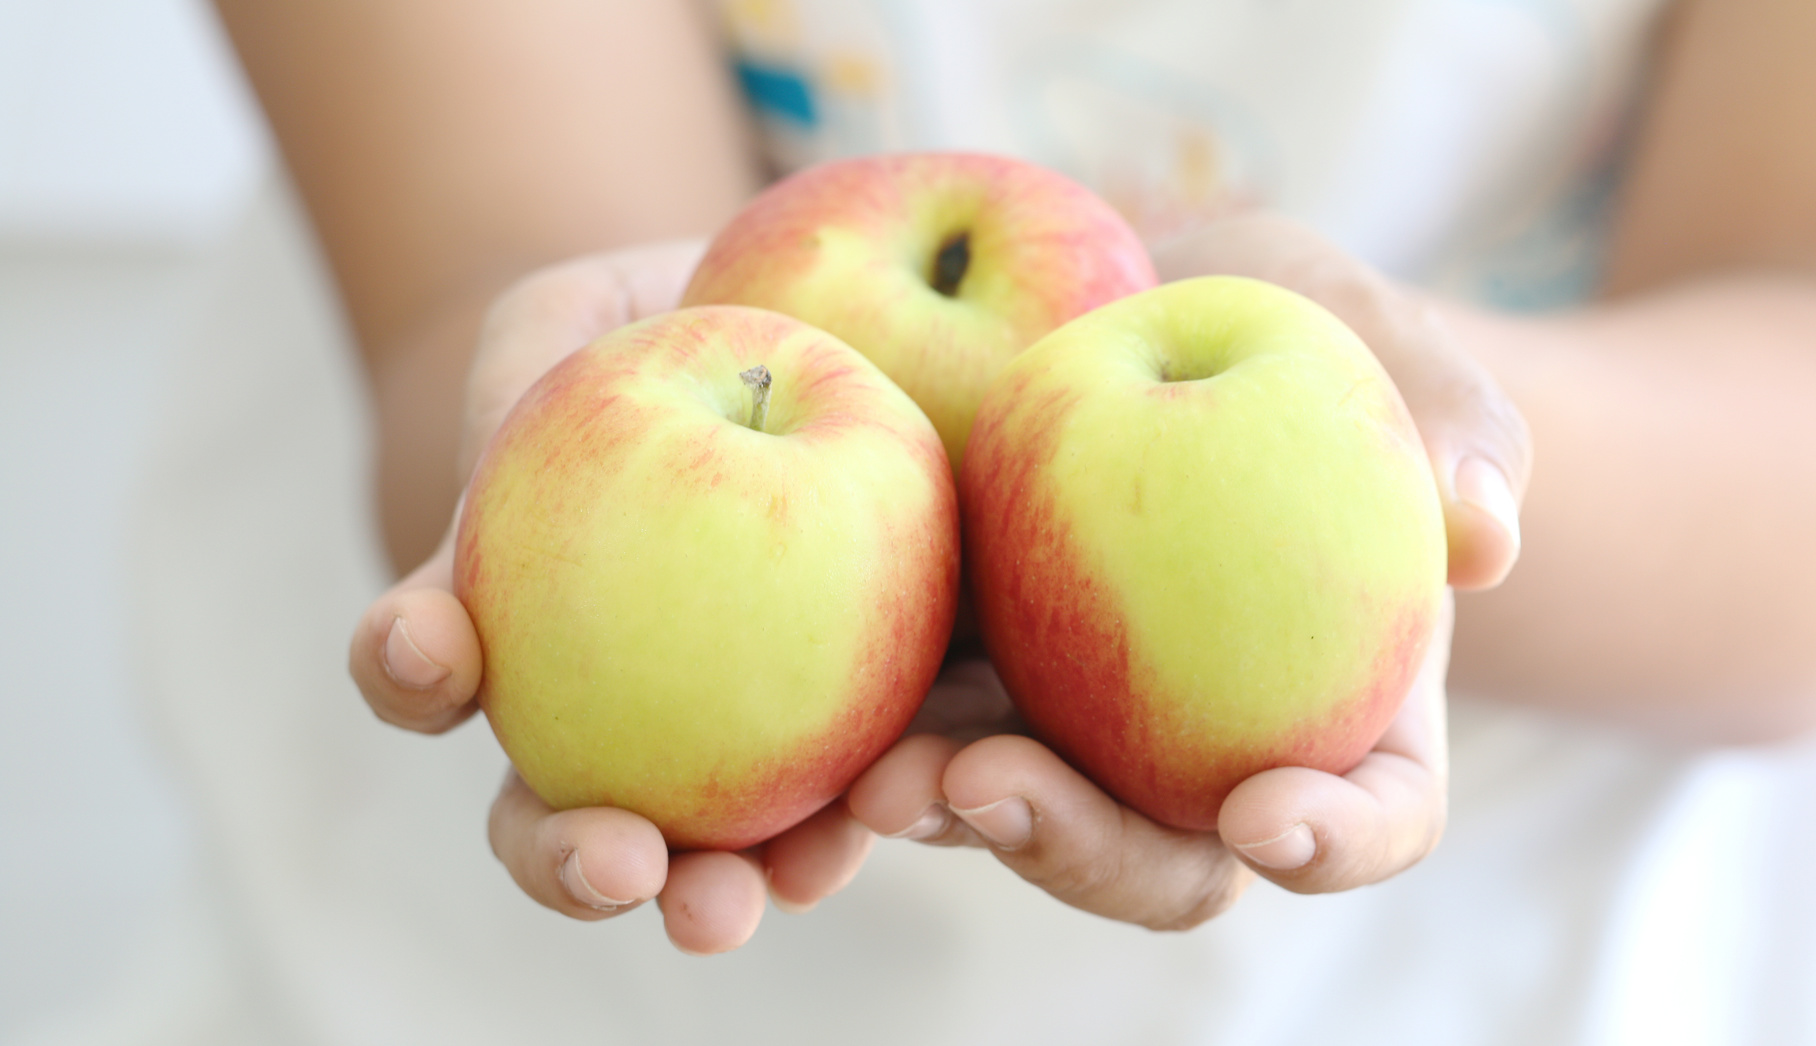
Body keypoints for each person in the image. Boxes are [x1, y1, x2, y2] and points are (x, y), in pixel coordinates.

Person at [122, 0, 1815, 1039]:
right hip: (468, 999)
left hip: (1513, 982)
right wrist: (539, 437)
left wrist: (1397, 477)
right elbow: (469, 304)